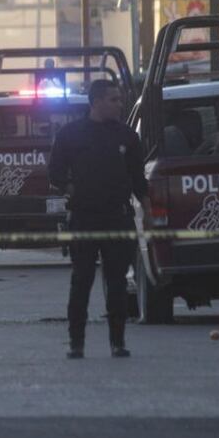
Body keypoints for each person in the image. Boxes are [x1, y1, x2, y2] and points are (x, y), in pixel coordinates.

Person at [49, 79, 148, 360]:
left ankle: (117, 342)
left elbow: (139, 180)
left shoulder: (127, 137)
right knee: (81, 280)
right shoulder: (71, 134)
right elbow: (55, 172)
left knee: (117, 282)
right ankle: (76, 342)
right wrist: (72, 189)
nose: (119, 104)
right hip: (84, 218)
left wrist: (149, 213)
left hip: (118, 217)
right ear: (97, 102)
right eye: (114, 100)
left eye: (119, 99)